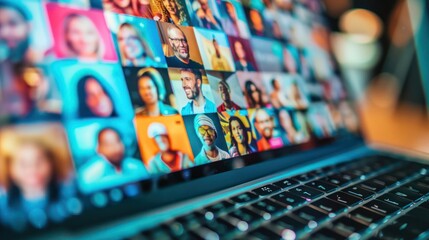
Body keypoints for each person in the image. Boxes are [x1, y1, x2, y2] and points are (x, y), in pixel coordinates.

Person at [0, 139, 74, 226]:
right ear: (10, 169)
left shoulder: (70, 191)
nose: (32, 169)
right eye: (23, 164)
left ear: (51, 163)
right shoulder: (3, 206)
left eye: (39, 161)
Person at [79, 128, 149, 186]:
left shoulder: (137, 166)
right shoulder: (89, 175)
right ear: (98, 149)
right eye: (109, 144)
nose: (115, 148)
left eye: (117, 141)